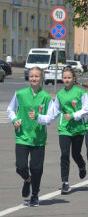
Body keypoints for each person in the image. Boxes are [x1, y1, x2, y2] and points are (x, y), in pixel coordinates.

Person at [7, 67, 54, 206]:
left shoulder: (46, 97)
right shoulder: (20, 94)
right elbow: (10, 109)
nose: (34, 78)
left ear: (41, 79)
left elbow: (50, 118)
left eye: (37, 76)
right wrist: (14, 120)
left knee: (36, 169)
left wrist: (38, 117)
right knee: (20, 167)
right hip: (22, 136)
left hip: (38, 139)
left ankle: (34, 195)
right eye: (31, 76)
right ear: (28, 77)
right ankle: (27, 179)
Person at [52, 67, 88, 194]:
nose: (66, 80)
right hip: (64, 129)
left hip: (78, 128)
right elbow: (54, 111)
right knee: (64, 154)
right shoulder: (60, 95)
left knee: (75, 154)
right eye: (64, 77)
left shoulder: (80, 92)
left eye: (69, 77)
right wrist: (41, 119)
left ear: (73, 79)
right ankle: (65, 182)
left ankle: (82, 165)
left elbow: (85, 109)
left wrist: (73, 115)